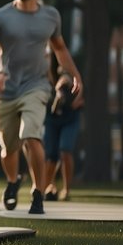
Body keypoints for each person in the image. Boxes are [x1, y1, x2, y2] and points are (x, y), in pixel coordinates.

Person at [0, 0, 82, 215]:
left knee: (32, 136)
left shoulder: (51, 16)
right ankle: (13, 182)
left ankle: (38, 191)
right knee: (8, 149)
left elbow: (60, 49)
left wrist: (75, 75)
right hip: (6, 90)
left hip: (36, 86)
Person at [43, 69, 84, 201]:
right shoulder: (47, 70)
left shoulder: (74, 73)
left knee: (65, 150)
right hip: (52, 119)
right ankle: (46, 187)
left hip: (70, 118)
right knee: (51, 156)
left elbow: (80, 99)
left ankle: (66, 189)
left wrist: (74, 98)